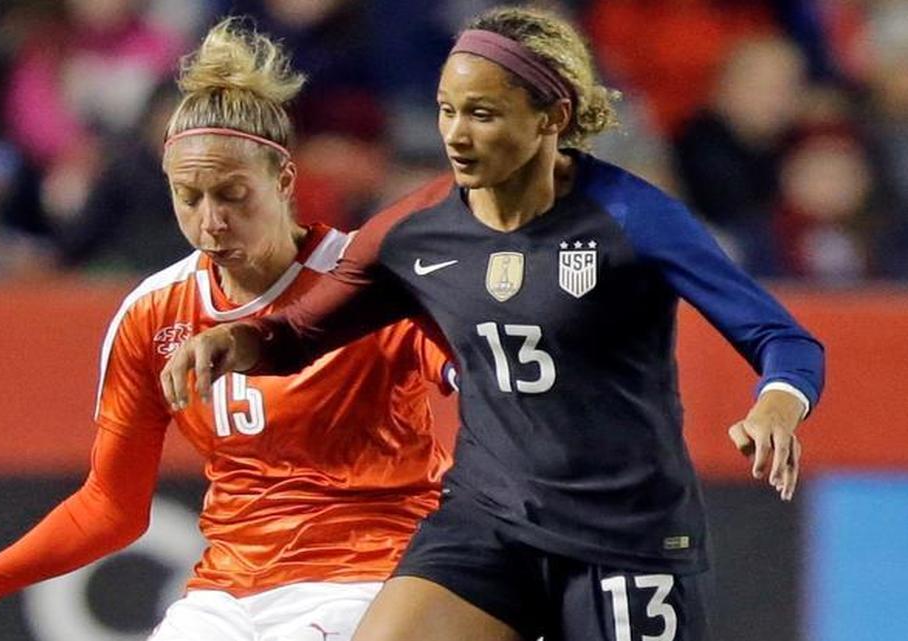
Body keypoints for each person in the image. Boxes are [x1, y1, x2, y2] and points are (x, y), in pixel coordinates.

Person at [161, 6, 826, 641]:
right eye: (448, 110)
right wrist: (231, 341)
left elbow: (782, 337)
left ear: (550, 117)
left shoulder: (633, 218)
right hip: (488, 525)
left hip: (625, 537)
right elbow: (298, 333)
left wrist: (777, 403)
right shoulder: (416, 228)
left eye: (481, 113)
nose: (454, 133)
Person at [0, 18, 454, 641]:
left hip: (364, 577)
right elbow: (111, 506)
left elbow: (482, 395)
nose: (211, 222)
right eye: (190, 197)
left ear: (284, 180)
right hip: (226, 595)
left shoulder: (365, 286)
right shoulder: (155, 313)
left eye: (234, 195)